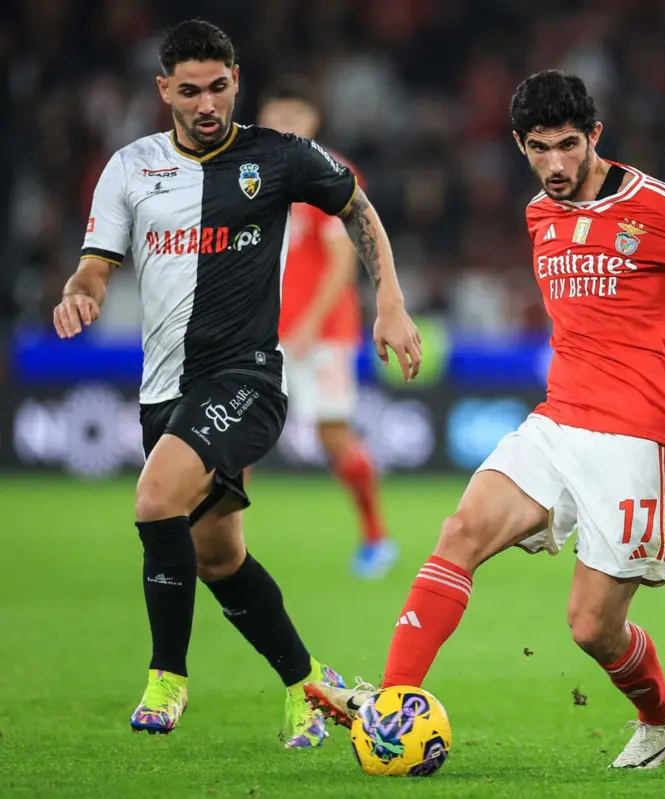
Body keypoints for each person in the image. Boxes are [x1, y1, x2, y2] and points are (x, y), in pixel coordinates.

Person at [305, 70, 665, 770]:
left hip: (639, 434)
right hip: (558, 421)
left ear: (594, 137)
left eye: (567, 146)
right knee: (459, 531)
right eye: (538, 149)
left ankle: (662, 714)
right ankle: (394, 702)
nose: (554, 165)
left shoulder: (664, 208)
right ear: (519, 145)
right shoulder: (538, 213)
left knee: (592, 627)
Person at [53, 19, 421, 747]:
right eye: (189, 90)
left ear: (236, 80)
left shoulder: (276, 157)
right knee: (220, 556)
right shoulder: (131, 167)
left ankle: (167, 675)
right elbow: (96, 260)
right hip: (165, 389)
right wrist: (82, 289)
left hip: (248, 375)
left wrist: (392, 303)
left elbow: (358, 207)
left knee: (155, 496)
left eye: (218, 86)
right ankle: (309, 682)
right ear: (165, 90)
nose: (206, 103)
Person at [258, 78, 398, 579]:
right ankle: (219, 546)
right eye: (276, 115)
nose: (284, 125)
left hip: (321, 332)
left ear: (313, 122)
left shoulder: (329, 172)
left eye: (294, 116)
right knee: (238, 436)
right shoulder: (252, 174)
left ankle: (376, 538)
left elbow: (344, 259)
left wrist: (309, 324)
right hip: (262, 331)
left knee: (333, 436)